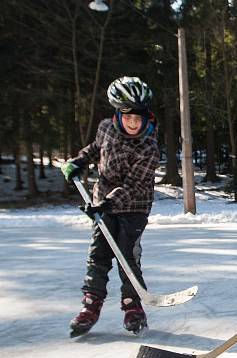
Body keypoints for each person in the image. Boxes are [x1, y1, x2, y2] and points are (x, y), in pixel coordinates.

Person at [60, 76, 159, 337]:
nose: (133, 123)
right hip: (102, 202)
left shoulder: (149, 148)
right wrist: (79, 162)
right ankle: (90, 307)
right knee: (99, 254)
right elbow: (95, 148)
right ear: (118, 113)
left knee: (127, 255)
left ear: (146, 117)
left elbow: (135, 185)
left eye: (138, 118)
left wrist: (106, 203)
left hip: (134, 206)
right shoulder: (106, 128)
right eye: (128, 117)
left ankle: (132, 306)